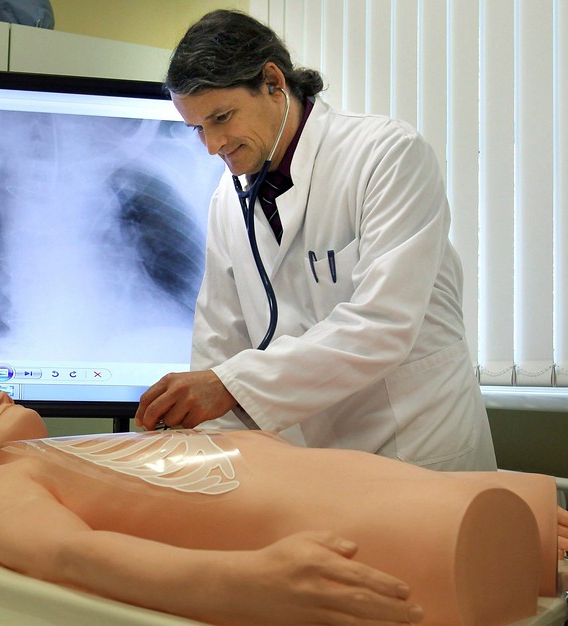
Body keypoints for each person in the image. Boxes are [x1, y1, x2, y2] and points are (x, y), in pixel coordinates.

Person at [134, 10, 496, 472]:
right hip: (317, 466)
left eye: (222, 118)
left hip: (419, 448)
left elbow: (383, 326)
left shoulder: (386, 155)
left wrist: (228, 385)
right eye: (198, 128)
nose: (212, 145)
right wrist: (207, 461)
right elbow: (218, 346)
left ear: (272, 81)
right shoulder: (228, 201)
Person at [0, 393, 568, 626]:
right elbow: (66, 553)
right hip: (402, 539)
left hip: (428, 497)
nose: (0, 394)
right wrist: (242, 583)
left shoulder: (87, 448)